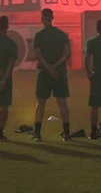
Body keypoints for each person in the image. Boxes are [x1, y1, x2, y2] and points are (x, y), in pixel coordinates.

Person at [31, 8, 71, 141]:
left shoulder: (39, 35)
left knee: (40, 102)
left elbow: (38, 55)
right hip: (59, 72)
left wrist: (48, 68)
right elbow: (65, 54)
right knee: (62, 102)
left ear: (42, 18)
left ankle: (37, 132)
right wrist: (55, 67)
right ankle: (66, 133)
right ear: (52, 18)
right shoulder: (62, 34)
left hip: (44, 73)